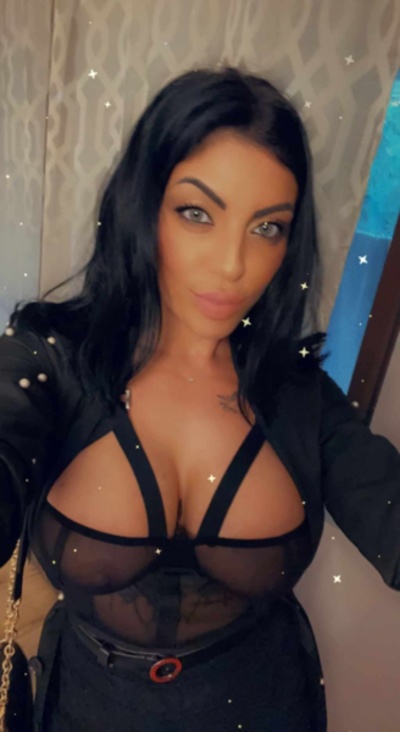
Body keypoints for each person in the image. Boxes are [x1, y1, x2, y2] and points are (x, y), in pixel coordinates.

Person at [0, 64, 399, 732]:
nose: (232, 265)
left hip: (267, 707)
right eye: (197, 214)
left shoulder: (299, 395)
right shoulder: (49, 360)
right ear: (142, 206)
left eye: (267, 227)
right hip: (88, 709)